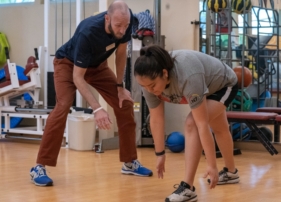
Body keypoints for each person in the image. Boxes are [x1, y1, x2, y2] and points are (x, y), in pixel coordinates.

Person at [30, 1, 153, 187]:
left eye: (125, 26)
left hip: (97, 66)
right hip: (67, 64)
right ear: (107, 18)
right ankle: (39, 166)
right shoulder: (87, 32)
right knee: (63, 105)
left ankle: (129, 162)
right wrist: (97, 109)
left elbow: (120, 55)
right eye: (118, 25)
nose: (122, 30)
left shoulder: (125, 24)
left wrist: (120, 87)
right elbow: (78, 78)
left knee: (124, 103)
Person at [134, 45, 240, 202]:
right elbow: (156, 119)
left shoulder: (188, 75)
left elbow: (202, 125)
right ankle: (231, 172)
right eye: (145, 87)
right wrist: (160, 153)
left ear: (164, 73)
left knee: (192, 123)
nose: (149, 90)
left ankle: (188, 189)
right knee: (220, 128)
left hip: (224, 84)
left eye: (152, 85)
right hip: (206, 83)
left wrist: (211, 165)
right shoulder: (148, 82)